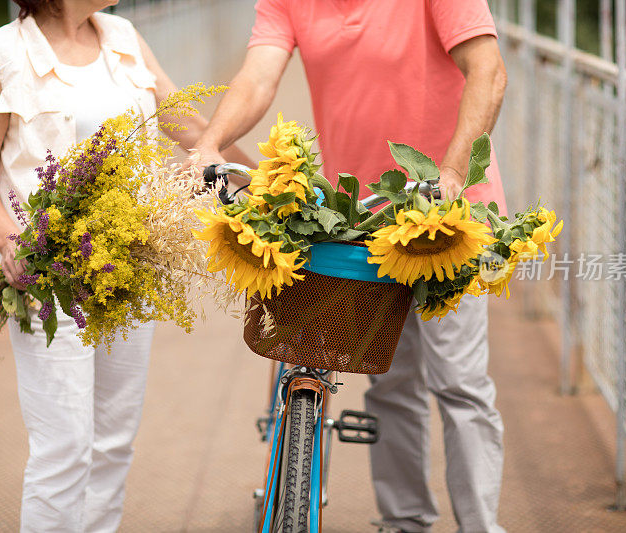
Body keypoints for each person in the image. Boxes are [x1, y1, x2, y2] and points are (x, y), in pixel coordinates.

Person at [191, 1, 508, 531]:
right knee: (389, 380)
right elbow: (257, 78)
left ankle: (480, 527)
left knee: (458, 380)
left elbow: (489, 71)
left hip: (448, 215)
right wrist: (209, 142)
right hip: (356, 217)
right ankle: (406, 521)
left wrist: (452, 173)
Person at [0, 0, 251, 530]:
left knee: (115, 439)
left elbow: (186, 122)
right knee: (63, 449)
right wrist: (10, 243)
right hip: (50, 278)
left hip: (131, 264)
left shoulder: (122, 35)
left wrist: (270, 176)